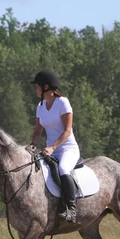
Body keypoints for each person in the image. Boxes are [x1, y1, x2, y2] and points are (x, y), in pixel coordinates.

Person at [29, 70, 80, 223]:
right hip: (49, 150)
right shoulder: (40, 106)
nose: (35, 89)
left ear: (46, 87)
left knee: (63, 169)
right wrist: (32, 145)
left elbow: (67, 130)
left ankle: (71, 209)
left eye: (36, 86)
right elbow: (38, 131)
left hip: (67, 148)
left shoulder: (63, 103)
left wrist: (52, 147)